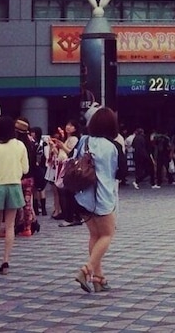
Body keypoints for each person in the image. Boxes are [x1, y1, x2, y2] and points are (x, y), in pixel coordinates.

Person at [72, 106, 124, 294]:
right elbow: (121, 173)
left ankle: (98, 279)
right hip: (103, 196)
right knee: (107, 235)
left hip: (83, 195)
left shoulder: (83, 141)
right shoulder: (113, 146)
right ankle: (86, 270)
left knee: (95, 235)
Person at [0, 116, 28, 275]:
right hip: (14, 186)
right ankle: (6, 261)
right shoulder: (20, 145)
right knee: (10, 225)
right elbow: (25, 169)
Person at [14, 118, 38, 236]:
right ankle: (28, 227)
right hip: (29, 177)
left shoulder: (16, 144)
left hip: (18, 177)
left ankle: (18, 225)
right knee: (27, 204)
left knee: (16, 204)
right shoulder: (31, 143)